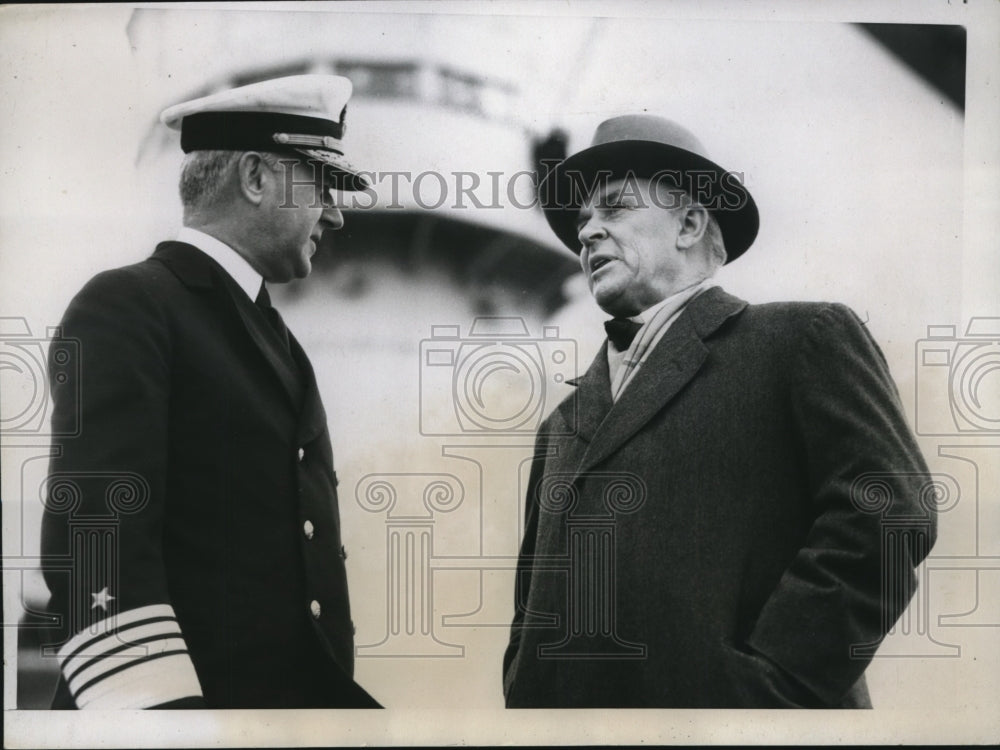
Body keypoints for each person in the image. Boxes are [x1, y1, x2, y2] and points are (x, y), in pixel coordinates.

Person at [502, 114, 936, 708]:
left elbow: (890, 515)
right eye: (582, 221)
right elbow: (532, 603)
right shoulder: (560, 425)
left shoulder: (800, 338)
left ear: (689, 223)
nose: (587, 234)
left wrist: (773, 686)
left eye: (614, 209)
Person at [40, 75, 380, 709]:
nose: (334, 213)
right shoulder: (130, 304)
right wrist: (163, 723)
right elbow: (97, 540)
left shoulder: (275, 338)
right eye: (322, 184)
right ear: (255, 178)